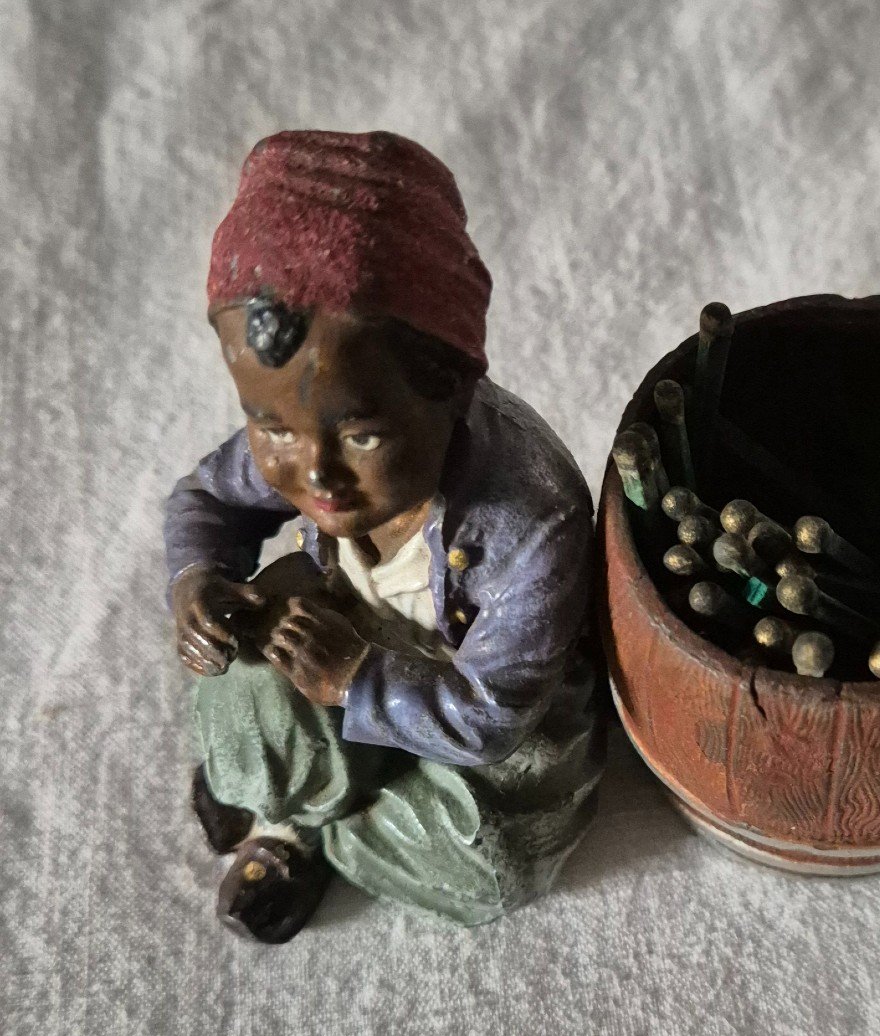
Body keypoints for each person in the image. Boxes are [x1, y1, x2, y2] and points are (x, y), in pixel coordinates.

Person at [164, 130, 604, 943]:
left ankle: (305, 820)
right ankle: (289, 801)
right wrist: (198, 580)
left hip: (485, 740)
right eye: (273, 427)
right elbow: (205, 501)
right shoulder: (307, 436)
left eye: (363, 435)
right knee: (244, 660)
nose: (317, 475)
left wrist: (357, 683)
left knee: (499, 857)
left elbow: (497, 714)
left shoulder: (530, 517)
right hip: (345, 638)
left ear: (447, 387)